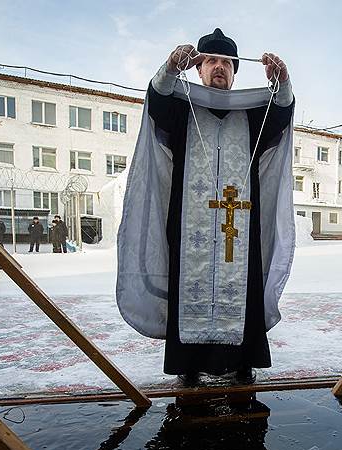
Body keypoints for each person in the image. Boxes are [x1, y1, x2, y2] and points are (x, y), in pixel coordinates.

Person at [116, 28, 296, 385]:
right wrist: (169, 68)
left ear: (234, 72)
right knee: (190, 282)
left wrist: (283, 83)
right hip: (190, 226)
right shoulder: (183, 109)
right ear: (198, 68)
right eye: (211, 60)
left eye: (227, 63)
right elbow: (158, 101)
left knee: (241, 284)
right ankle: (189, 363)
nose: (219, 67)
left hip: (239, 225)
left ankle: (243, 361)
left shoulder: (252, 114)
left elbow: (281, 116)